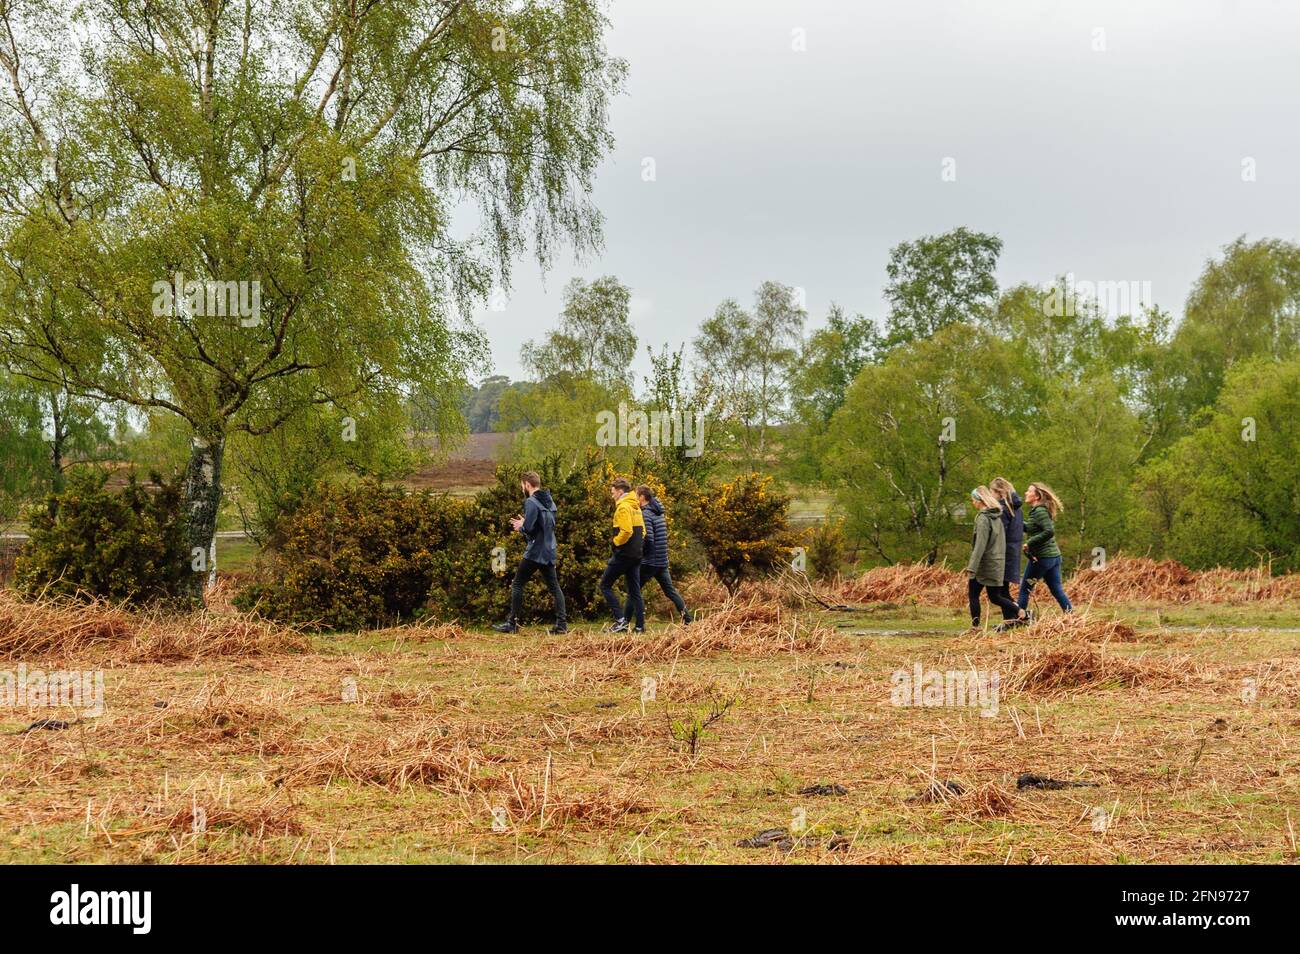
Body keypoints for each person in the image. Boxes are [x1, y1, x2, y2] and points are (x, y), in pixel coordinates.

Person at [493, 471, 567, 634]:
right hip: (549, 549)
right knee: (555, 588)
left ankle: (512, 623)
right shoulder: (550, 502)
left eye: (522, 485)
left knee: (518, 583)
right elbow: (545, 525)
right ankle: (562, 625)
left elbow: (531, 529)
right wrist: (526, 523)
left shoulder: (531, 502)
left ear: (527, 484)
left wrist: (522, 526)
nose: (522, 488)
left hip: (535, 551)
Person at [623, 485, 692, 625]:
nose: (635, 498)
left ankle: (623, 623)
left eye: (636, 496)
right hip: (662, 560)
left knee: (633, 591)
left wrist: (641, 555)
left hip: (650, 561)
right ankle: (688, 620)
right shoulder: (659, 512)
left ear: (642, 497)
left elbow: (648, 539)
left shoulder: (646, 514)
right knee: (670, 591)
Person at [965, 486, 1027, 630]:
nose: (973, 502)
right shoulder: (997, 516)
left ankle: (975, 627)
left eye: (973, 499)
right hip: (997, 563)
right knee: (995, 597)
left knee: (973, 595)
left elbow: (980, 545)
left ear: (980, 500)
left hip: (983, 564)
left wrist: (972, 567)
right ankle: (1018, 610)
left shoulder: (983, 518)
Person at [1017, 482, 1074, 614]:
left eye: (1029, 491)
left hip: (1041, 560)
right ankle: (1071, 617)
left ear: (1036, 496)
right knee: (1056, 589)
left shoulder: (1040, 511)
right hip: (1053, 558)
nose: (1026, 493)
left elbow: (1049, 531)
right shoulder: (1038, 511)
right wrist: (1015, 520)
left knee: (1025, 589)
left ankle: (1017, 620)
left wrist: (1029, 543)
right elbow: (1031, 528)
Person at [600, 477, 645, 633]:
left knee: (605, 585)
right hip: (636, 553)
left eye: (613, 492)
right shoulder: (636, 507)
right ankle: (640, 626)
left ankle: (621, 621)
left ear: (620, 491)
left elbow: (626, 531)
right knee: (634, 590)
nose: (612, 495)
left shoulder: (623, 507)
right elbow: (643, 531)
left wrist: (615, 542)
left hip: (624, 554)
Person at [989, 476, 1025, 623]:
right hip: (1013, 551)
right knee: (1004, 590)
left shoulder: (1003, 509)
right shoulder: (1016, 508)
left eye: (992, 491)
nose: (990, 495)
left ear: (998, 492)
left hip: (1003, 553)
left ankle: (1014, 617)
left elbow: (999, 533)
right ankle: (1011, 620)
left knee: (1001, 592)